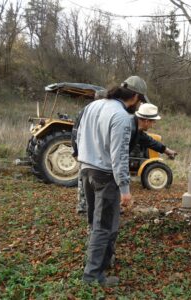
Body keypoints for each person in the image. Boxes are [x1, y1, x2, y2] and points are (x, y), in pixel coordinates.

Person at [76, 75, 148, 286]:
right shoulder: (122, 117)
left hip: (86, 169)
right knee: (103, 225)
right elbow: (119, 156)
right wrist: (125, 189)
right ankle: (92, 276)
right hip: (105, 175)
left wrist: (83, 159)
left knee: (95, 221)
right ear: (134, 97)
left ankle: (103, 261)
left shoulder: (94, 105)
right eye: (141, 101)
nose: (140, 105)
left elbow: (79, 134)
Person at [74, 103, 177, 214]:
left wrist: (166, 150)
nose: (153, 124)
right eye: (153, 121)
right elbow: (119, 155)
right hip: (101, 162)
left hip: (106, 162)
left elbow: (149, 141)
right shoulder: (127, 127)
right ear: (147, 120)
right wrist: (124, 188)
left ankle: (105, 210)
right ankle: (88, 211)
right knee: (99, 190)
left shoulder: (136, 128)